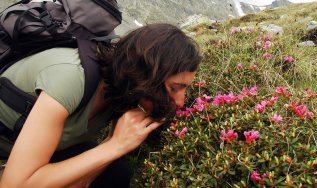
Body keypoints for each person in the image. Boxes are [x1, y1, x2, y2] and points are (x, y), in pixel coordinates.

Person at [0, 23, 202, 187]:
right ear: (147, 75)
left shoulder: (126, 90)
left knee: (116, 176)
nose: (180, 102)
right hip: (7, 150)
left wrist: (109, 147)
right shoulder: (71, 78)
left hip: (48, 147)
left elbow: (86, 179)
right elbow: (14, 184)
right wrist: (115, 146)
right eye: (175, 87)